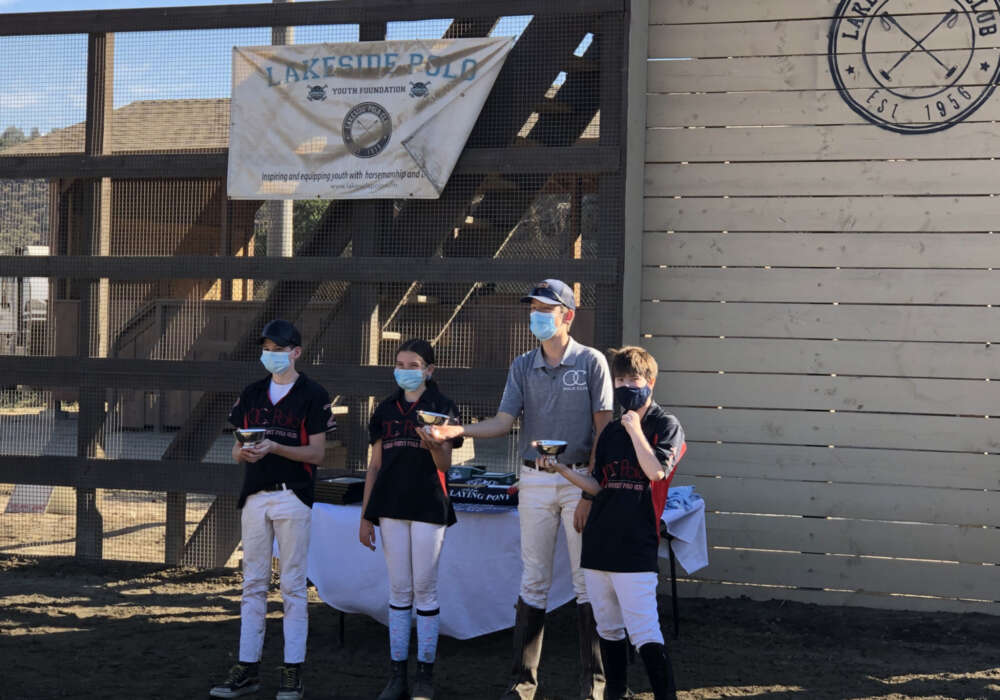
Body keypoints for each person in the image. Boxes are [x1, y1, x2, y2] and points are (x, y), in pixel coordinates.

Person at [431, 279, 612, 700]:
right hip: (533, 480)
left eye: (545, 308)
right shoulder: (521, 365)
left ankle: (594, 685)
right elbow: (501, 422)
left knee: (586, 581)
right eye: (532, 308)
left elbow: (604, 431)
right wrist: (457, 431)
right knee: (533, 580)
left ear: (567, 315)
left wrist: (589, 491)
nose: (536, 315)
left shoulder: (592, 363)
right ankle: (522, 683)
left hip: (577, 479)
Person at [539, 346, 684, 700]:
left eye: (632, 379)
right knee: (608, 628)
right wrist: (559, 468)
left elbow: (656, 471)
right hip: (600, 542)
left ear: (650, 381)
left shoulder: (665, 425)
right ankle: (614, 693)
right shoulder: (609, 432)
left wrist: (636, 431)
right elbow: (598, 485)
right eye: (619, 379)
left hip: (636, 544)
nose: (625, 386)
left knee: (645, 631)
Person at [210, 319, 333, 700]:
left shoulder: (312, 394)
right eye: (267, 347)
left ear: (296, 352)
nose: (271, 354)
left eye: (279, 349)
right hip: (255, 496)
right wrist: (243, 451)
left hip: (292, 495)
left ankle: (292, 671)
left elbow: (317, 453)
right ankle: (247, 669)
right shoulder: (251, 394)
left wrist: (276, 448)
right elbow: (234, 449)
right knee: (253, 584)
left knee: (293, 585)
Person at [359, 339, 461, 700]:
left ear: (429, 370)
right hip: (390, 508)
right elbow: (374, 466)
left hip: (429, 507)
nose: (405, 369)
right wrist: (365, 517)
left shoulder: (442, 407)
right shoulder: (385, 410)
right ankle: (397, 673)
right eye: (400, 363)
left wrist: (433, 443)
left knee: (426, 588)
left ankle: (425, 675)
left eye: (414, 364)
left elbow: (446, 465)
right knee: (399, 589)